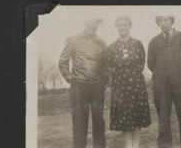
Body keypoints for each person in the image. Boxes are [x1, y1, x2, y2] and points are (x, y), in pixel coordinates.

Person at [58, 17, 108, 148]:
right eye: (91, 22)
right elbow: (63, 62)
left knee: (99, 120)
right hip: (79, 86)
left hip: (97, 86)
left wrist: (103, 81)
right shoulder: (73, 40)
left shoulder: (102, 42)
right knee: (80, 121)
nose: (93, 25)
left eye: (96, 23)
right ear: (85, 23)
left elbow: (106, 64)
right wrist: (71, 79)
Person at [147, 16, 181, 148]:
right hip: (161, 83)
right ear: (158, 23)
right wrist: (162, 73)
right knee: (163, 118)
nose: (163, 23)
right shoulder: (154, 41)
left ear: (171, 21)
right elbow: (151, 64)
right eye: (160, 21)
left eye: (166, 20)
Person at [106, 16, 151, 148]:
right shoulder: (112, 47)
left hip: (136, 84)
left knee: (136, 114)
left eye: (125, 25)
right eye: (119, 25)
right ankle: (127, 145)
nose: (122, 27)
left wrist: (132, 74)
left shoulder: (137, 44)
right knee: (124, 115)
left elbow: (142, 62)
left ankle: (135, 145)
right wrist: (119, 75)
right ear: (116, 27)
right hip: (120, 85)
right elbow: (108, 65)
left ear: (129, 26)